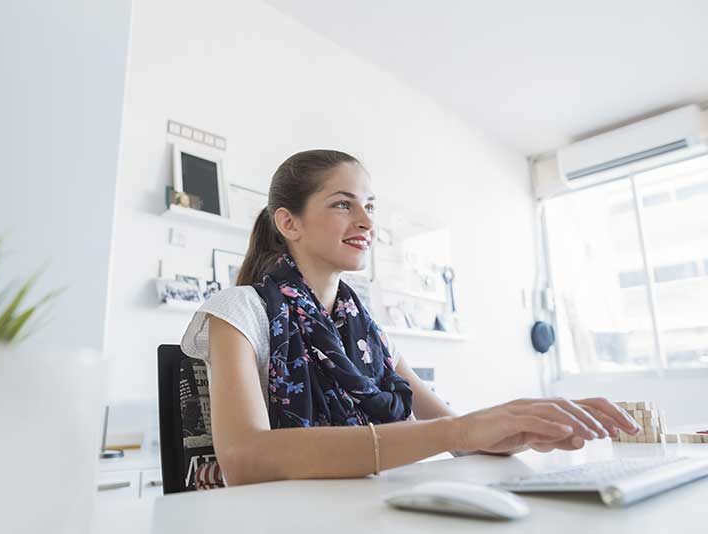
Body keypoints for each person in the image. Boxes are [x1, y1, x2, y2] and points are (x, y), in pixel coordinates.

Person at [180, 149, 641, 487]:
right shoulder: (239, 310)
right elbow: (245, 457)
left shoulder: (368, 333)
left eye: (370, 206)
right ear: (289, 223)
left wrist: (520, 425)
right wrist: (452, 431)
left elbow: (454, 432)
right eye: (344, 204)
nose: (366, 221)